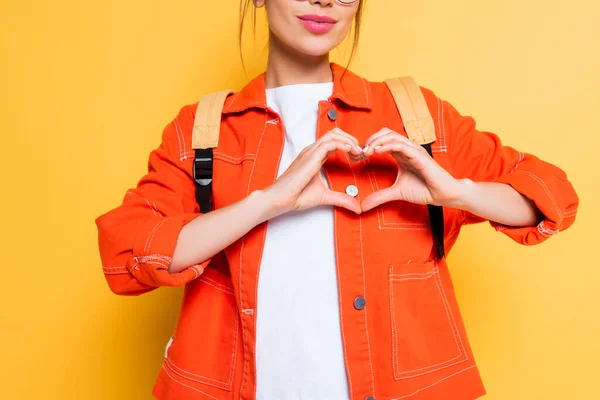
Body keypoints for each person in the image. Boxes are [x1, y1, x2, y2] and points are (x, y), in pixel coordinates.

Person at [95, 0, 579, 399]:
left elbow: (550, 196)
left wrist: (459, 192)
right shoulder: (204, 131)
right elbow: (127, 252)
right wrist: (267, 201)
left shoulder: (415, 118)